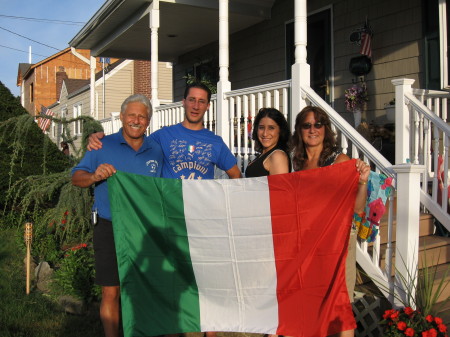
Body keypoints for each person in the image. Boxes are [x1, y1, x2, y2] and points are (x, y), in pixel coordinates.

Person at [88, 83, 242, 337]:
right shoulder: (162, 136)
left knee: (205, 282)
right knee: (170, 283)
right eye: (191, 99)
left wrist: (225, 207)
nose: (195, 105)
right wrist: (98, 138)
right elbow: (132, 135)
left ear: (207, 106)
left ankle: (210, 333)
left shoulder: (215, 142)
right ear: (183, 102)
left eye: (201, 101)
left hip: (200, 222)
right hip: (168, 221)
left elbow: (235, 176)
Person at [72, 94, 163, 337]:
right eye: (131, 115)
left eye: (142, 116)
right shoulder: (102, 146)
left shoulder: (156, 150)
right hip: (109, 226)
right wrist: (94, 176)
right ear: (122, 117)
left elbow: (163, 190)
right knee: (111, 292)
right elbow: (76, 177)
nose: (136, 120)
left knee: (143, 290)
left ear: (149, 121)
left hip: (144, 230)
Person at [291, 106, 370, 337]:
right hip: (309, 242)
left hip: (338, 241)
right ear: (299, 130)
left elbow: (357, 208)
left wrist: (363, 181)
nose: (312, 129)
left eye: (318, 124)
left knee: (340, 300)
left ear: (326, 129)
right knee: (315, 299)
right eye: (307, 125)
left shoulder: (339, 161)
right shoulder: (298, 164)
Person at [245, 107, 291, 177]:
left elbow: (279, 187)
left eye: (271, 128)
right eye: (261, 127)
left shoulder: (277, 156)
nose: (265, 134)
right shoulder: (264, 154)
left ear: (280, 130)